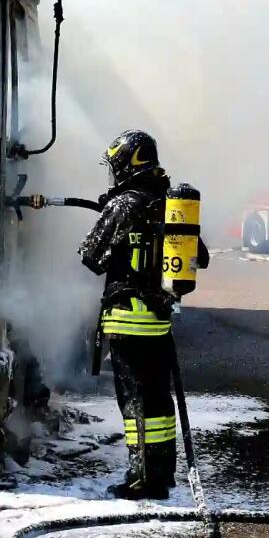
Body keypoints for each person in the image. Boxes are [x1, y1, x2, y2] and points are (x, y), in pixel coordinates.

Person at [78, 129, 179, 500]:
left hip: (127, 319)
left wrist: (110, 213)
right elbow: (198, 255)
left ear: (127, 164)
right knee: (159, 401)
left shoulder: (123, 205)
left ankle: (142, 479)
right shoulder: (168, 203)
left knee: (136, 403)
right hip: (158, 321)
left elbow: (91, 256)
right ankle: (162, 474)